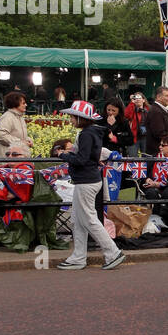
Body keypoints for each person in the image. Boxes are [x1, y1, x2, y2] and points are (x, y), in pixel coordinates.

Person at [54, 101, 126, 270]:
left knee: (88, 219)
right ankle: (78, 257)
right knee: (78, 220)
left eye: (73, 116)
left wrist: (63, 155)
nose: (71, 119)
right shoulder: (93, 133)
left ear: (80, 118)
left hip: (85, 181)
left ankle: (112, 252)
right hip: (89, 180)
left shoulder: (86, 134)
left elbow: (81, 159)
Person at [0, 91, 33, 159]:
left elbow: (18, 135)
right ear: (15, 104)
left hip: (15, 158)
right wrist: (20, 142)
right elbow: (1, 135)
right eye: (23, 103)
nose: (26, 105)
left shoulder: (20, 117)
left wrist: (28, 140)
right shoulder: (8, 117)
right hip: (6, 158)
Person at [144, 85, 168, 158]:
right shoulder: (156, 111)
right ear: (158, 97)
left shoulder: (162, 110)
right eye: (166, 96)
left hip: (164, 153)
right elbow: (159, 133)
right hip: (158, 154)